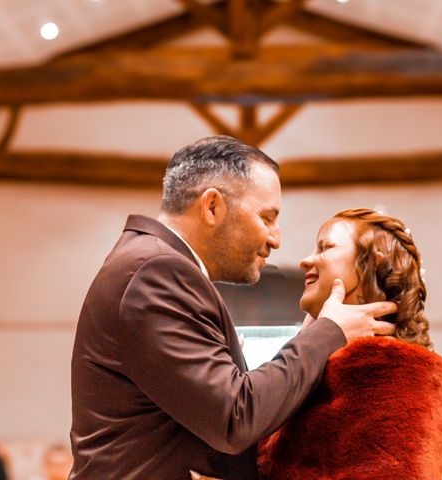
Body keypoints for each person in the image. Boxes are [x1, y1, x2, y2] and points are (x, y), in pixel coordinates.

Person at [69, 136, 398, 480]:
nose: (276, 238)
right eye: (266, 217)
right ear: (212, 206)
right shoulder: (157, 272)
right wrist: (328, 333)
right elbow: (234, 418)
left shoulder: (153, 264)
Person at [258, 208, 442, 480]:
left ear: (370, 266)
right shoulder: (322, 360)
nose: (306, 261)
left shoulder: (397, 373)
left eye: (325, 247)